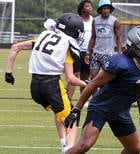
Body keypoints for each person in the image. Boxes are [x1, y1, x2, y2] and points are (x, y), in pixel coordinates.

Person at [63, 26, 140, 154]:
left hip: (121, 112)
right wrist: (76, 110)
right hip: (101, 108)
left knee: (134, 149)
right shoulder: (120, 64)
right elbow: (92, 85)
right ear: (136, 48)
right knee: (84, 145)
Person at [25, 13, 87, 153]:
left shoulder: (45, 34)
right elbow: (70, 78)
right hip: (52, 85)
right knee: (72, 120)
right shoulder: (67, 43)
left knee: (61, 114)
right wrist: (88, 84)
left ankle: (64, 146)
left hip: (35, 85)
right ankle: (68, 149)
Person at [5, 18, 56, 85]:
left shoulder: (39, 41)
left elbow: (15, 47)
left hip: (37, 80)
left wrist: (8, 72)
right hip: (53, 79)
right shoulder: (65, 41)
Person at [87, 0, 122, 85]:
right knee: (93, 78)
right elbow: (93, 37)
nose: (106, 10)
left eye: (108, 8)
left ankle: (104, 97)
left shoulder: (115, 21)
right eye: (104, 8)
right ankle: (94, 98)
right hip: (96, 53)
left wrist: (119, 53)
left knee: (106, 79)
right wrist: (88, 52)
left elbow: (118, 38)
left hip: (108, 54)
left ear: (110, 9)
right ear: (100, 9)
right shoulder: (95, 20)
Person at [66, 0, 94, 100]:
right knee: (74, 75)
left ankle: (83, 100)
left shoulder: (93, 20)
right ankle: (68, 99)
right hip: (76, 51)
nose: (90, 8)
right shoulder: (76, 20)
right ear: (82, 9)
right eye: (87, 6)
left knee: (85, 77)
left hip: (88, 52)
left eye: (91, 6)